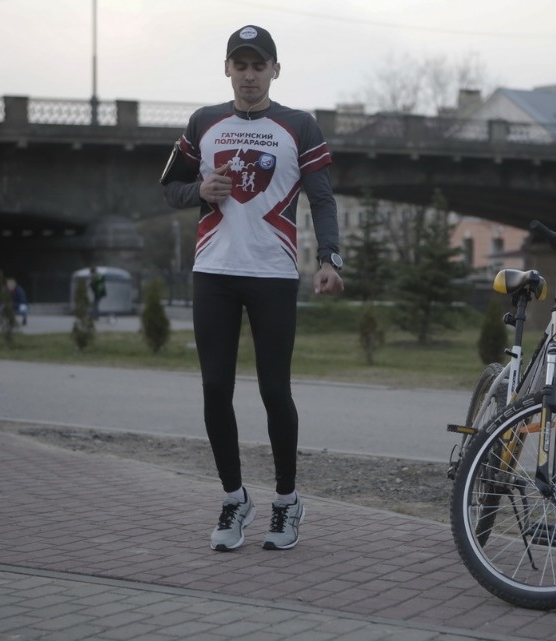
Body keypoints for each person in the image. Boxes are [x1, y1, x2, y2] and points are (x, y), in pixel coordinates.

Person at [159, 25, 344, 552]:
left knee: (272, 391)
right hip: (214, 271)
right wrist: (200, 188)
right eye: (239, 65)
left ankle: (286, 502)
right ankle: (235, 497)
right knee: (215, 388)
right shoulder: (203, 122)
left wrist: (329, 257)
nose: (248, 75)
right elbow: (170, 187)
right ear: (227, 70)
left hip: (273, 273)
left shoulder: (300, 126)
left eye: (257, 65)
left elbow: (323, 199)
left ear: (275, 71)